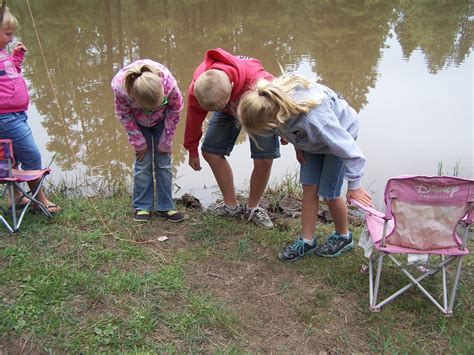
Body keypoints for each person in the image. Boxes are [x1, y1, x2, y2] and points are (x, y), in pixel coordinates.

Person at [237, 74, 373, 260]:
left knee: (329, 193)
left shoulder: (315, 120)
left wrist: (355, 185)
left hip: (340, 136)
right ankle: (307, 240)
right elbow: (283, 129)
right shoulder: (271, 103)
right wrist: (298, 145)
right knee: (309, 187)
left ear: (273, 120)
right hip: (312, 140)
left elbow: (349, 149)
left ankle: (344, 236)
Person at [184, 48, 279, 229]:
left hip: (258, 103)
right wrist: (191, 149)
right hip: (227, 109)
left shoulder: (259, 80)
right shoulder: (200, 87)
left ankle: (253, 208)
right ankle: (231, 207)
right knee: (210, 151)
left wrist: (284, 130)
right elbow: (193, 119)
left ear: (231, 88)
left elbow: (281, 98)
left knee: (264, 158)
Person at [0, 7, 61, 214]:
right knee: (32, 156)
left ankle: (16, 198)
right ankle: (39, 198)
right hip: (6, 119)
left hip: (16, 116)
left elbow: (10, 75)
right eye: (7, 34)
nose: (10, 39)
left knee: (11, 159)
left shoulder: (3, 54)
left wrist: (16, 58)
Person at [111, 59, 184, 223]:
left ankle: (165, 206)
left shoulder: (169, 84)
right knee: (143, 163)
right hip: (137, 123)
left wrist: (166, 140)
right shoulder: (121, 89)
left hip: (163, 121)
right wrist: (138, 142)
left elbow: (176, 108)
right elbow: (124, 114)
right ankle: (143, 206)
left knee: (164, 163)